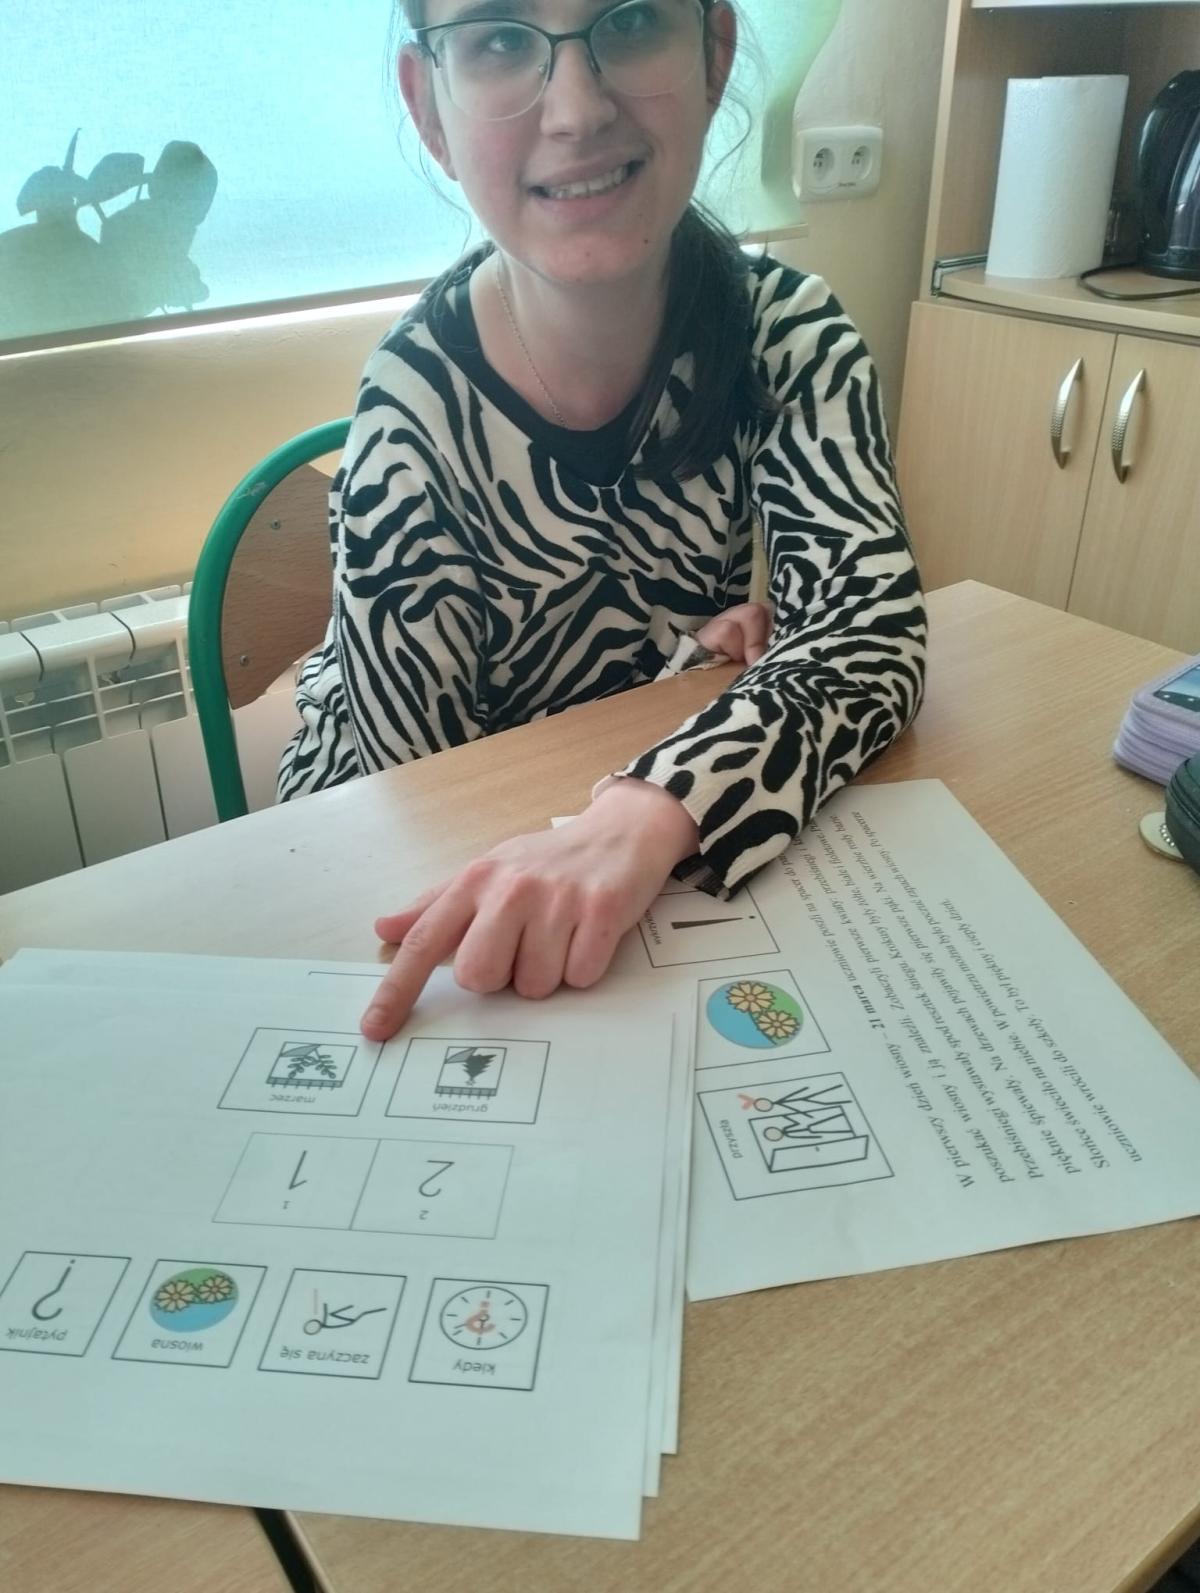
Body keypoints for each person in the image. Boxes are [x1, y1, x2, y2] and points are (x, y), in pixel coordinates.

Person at [277, 0, 927, 1042]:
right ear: (429, 107)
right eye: (499, 39)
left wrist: (659, 772)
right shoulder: (410, 411)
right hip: (378, 832)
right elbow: (429, 803)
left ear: (714, 54)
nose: (576, 110)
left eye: (629, 21)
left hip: (630, 802)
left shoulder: (792, 336)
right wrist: (699, 719)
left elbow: (870, 634)